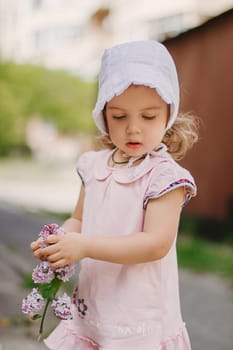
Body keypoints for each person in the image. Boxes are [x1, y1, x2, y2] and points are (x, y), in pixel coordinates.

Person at [31, 40, 198, 350]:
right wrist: (60, 240)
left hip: (138, 316)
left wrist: (84, 246)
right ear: (103, 115)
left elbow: (154, 244)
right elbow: (80, 218)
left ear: (168, 115)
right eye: (120, 117)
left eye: (148, 117)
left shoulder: (164, 177)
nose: (133, 129)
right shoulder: (94, 166)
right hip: (95, 305)